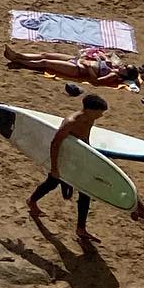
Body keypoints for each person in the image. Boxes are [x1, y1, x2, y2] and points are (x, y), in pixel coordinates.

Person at [26, 95, 109, 239]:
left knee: (85, 192)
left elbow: (85, 138)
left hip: (77, 159)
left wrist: (89, 156)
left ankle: (81, 229)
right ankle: (32, 201)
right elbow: (55, 144)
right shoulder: (71, 122)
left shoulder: (90, 119)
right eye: (99, 112)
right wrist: (54, 167)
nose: (101, 115)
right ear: (90, 110)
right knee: (52, 183)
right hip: (64, 159)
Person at [4, 44, 144, 88]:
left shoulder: (113, 75)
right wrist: (100, 56)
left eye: (125, 68)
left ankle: (19, 60)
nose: (123, 66)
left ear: (124, 74)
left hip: (78, 69)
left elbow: (96, 82)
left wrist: (90, 68)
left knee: (45, 63)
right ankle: (19, 55)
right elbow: (107, 56)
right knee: (45, 54)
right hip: (77, 60)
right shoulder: (115, 67)